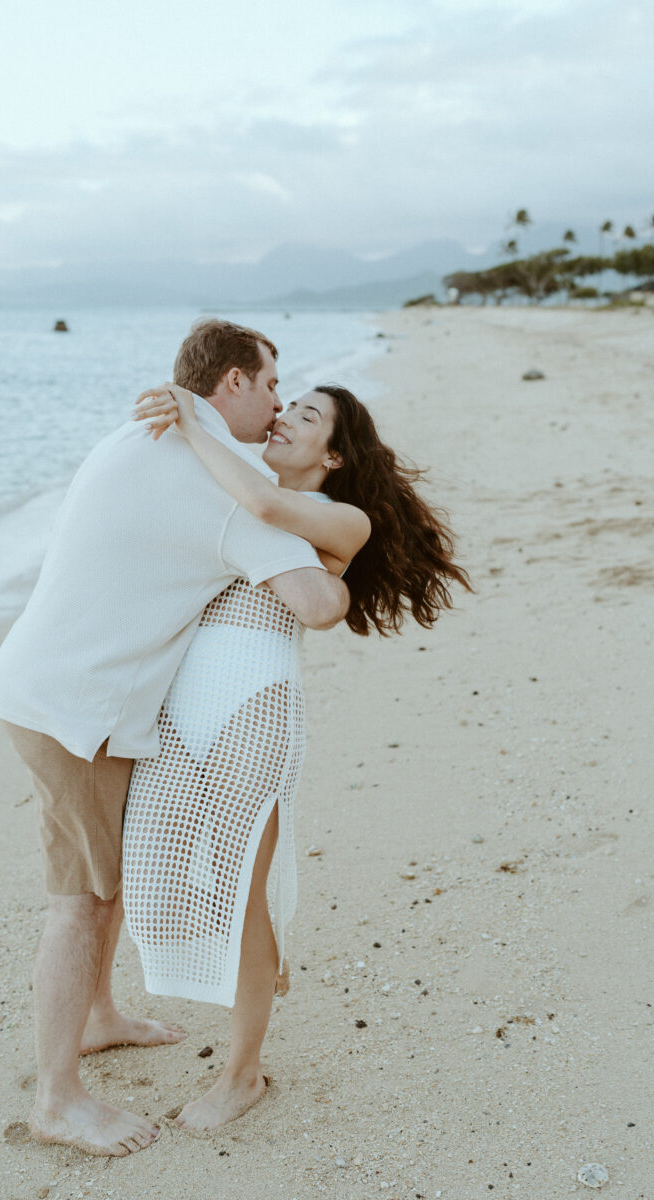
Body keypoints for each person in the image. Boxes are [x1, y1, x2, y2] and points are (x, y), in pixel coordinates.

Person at [0, 320, 350, 1158]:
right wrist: (331, 548)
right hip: (72, 709)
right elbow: (319, 605)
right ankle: (56, 1097)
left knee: (104, 881)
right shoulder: (220, 488)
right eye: (270, 383)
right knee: (80, 903)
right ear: (230, 384)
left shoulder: (141, 431)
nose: (277, 400)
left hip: (67, 692)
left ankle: (101, 1017)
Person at [122, 381, 472, 1131]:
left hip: (253, 708)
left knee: (244, 890)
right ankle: (257, 971)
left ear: (335, 453)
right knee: (160, 866)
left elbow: (273, 508)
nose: (283, 417)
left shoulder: (341, 517)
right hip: (182, 712)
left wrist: (191, 420)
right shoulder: (231, 499)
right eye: (286, 405)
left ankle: (242, 1075)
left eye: (305, 416)